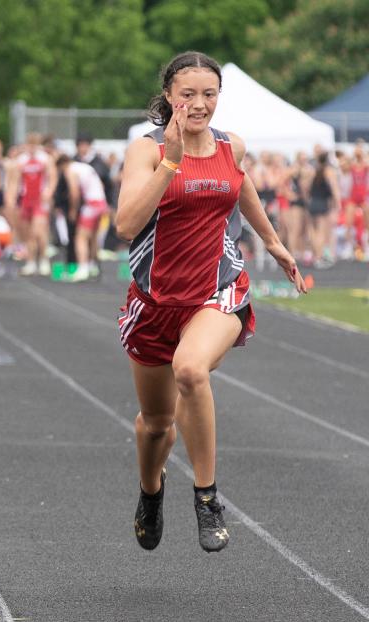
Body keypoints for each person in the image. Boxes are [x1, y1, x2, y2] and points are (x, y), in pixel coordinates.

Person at [114, 51, 305, 554]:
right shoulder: (147, 150)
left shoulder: (230, 145)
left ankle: (207, 496)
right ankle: (151, 493)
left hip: (216, 288)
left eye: (209, 95)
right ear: (170, 97)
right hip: (154, 302)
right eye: (188, 95)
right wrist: (171, 162)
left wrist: (272, 242)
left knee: (191, 370)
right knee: (155, 425)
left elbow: (242, 189)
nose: (199, 105)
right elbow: (126, 224)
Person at [16, 133, 57, 276]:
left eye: (34, 145)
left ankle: (44, 260)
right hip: (26, 199)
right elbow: (15, 180)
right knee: (28, 234)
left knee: (39, 231)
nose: (32, 148)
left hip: (40, 200)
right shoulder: (21, 160)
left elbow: (52, 177)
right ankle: (31, 262)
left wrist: (49, 192)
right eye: (29, 145)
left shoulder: (45, 159)